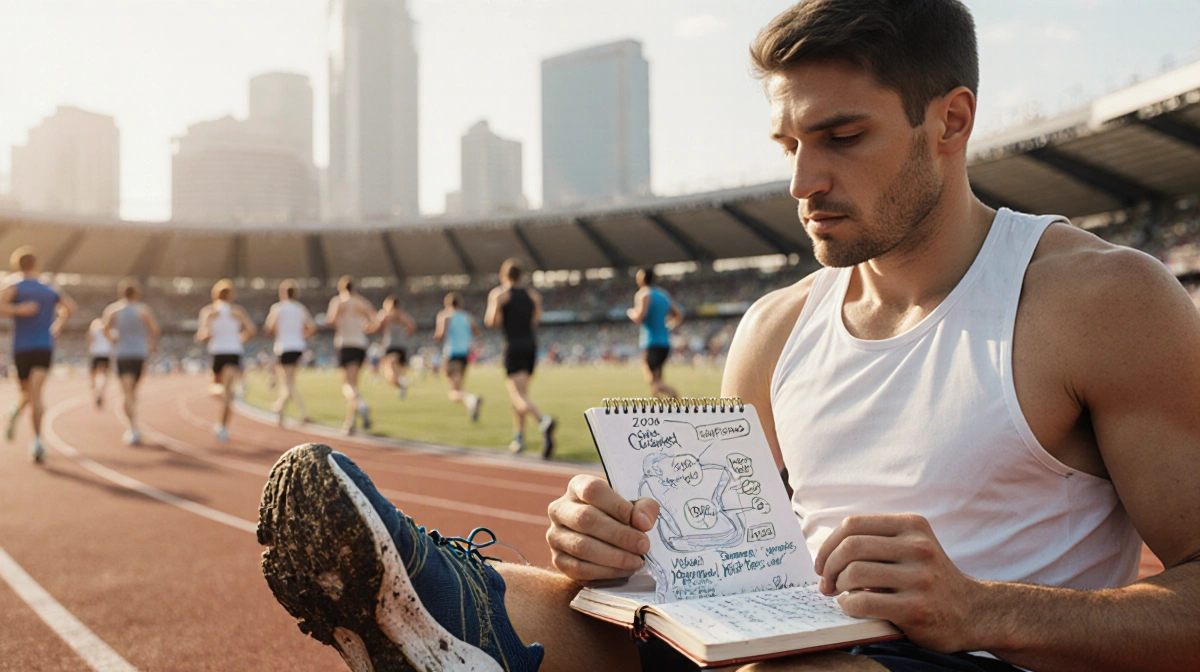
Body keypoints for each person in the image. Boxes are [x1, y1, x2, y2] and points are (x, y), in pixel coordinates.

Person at [255, 2, 1200, 671]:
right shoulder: (776, 330)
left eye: (841, 136)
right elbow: (721, 570)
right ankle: (448, 614)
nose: (802, 183)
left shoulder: (1099, 300)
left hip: (983, 659)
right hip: (782, 651)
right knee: (532, 603)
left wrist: (980, 608)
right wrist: (616, 547)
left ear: (949, 121)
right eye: (789, 146)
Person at [0, 247, 75, 463]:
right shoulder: (47, 287)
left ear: (17, 264)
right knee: (29, 394)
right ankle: (19, 413)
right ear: (36, 264)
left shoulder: (15, 286)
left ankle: (37, 441)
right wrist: (57, 326)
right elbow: (69, 307)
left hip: (30, 347)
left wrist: (17, 309)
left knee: (34, 393)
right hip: (35, 345)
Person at [484, 258, 556, 458]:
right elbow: (536, 319)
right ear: (521, 276)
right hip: (530, 346)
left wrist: (499, 309)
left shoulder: (500, 295)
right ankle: (519, 439)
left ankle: (543, 420)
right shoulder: (533, 296)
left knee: (516, 395)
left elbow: (490, 321)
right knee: (522, 394)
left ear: (503, 276)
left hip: (512, 346)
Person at [195, 279, 256, 443]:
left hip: (219, 353)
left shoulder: (209, 312)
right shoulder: (237, 312)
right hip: (234, 352)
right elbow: (252, 329)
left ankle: (223, 424)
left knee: (214, 389)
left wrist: (209, 335)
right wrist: (240, 339)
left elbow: (201, 335)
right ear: (231, 296)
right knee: (228, 393)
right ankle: (223, 427)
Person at [101, 278, 160, 445]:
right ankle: (133, 427)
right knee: (132, 393)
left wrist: (112, 339)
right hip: (139, 354)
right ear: (137, 294)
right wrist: (151, 345)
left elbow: (104, 328)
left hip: (122, 354)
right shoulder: (143, 310)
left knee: (127, 393)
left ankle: (132, 428)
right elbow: (155, 330)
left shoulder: (113, 311)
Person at [263, 280, 317, 427]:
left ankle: (295, 411)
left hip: (284, 347)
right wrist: (301, 336)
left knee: (287, 383)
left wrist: (279, 332)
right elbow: (311, 327)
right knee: (289, 382)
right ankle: (281, 415)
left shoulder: (278, 308)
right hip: (298, 348)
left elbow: (269, 327)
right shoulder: (300, 309)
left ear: (282, 293)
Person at [327, 275, 376, 435]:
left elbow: (331, 320)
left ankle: (361, 405)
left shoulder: (339, 301)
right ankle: (350, 424)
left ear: (341, 288)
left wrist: (342, 324)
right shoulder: (362, 302)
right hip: (360, 344)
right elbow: (374, 322)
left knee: (347, 385)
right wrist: (363, 326)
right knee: (355, 384)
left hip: (345, 343)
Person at [627, 267, 683, 400]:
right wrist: (667, 327)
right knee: (657, 379)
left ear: (641, 279)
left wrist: (630, 312)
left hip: (651, 342)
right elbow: (678, 315)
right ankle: (659, 410)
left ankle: (674, 395)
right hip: (664, 343)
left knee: (652, 380)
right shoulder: (663, 295)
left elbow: (640, 316)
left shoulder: (643, 294)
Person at [434, 291, 483, 422]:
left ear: (447, 304)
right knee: (459, 387)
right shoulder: (467, 317)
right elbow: (477, 332)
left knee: (453, 392)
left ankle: (471, 400)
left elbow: (440, 335)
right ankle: (471, 405)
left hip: (452, 354)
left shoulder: (445, 316)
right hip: (464, 355)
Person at [370, 295, 417, 399]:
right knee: (398, 371)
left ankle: (401, 384)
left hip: (390, 345)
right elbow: (411, 326)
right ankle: (401, 385)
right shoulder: (403, 315)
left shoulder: (386, 315)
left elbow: (376, 326)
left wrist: (372, 328)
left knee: (389, 372)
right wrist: (406, 334)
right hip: (402, 346)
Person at [86, 316, 113, 409]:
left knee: (93, 375)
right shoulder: (108, 330)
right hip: (105, 353)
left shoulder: (93, 330)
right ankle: (101, 391)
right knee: (104, 375)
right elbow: (112, 340)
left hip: (95, 353)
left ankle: (95, 390)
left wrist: (89, 350)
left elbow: (90, 340)